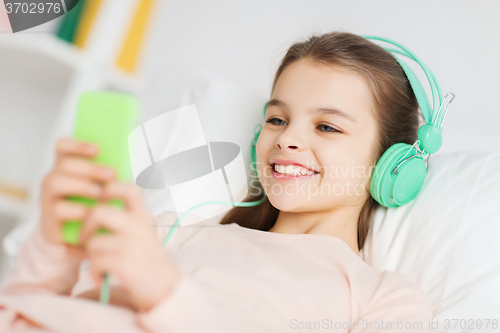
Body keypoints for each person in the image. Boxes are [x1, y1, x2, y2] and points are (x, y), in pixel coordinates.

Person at [0, 31, 433, 332]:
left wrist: (166, 293)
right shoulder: (166, 232)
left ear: (392, 164)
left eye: (327, 127)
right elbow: (32, 316)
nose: (287, 139)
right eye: (277, 119)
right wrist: (54, 247)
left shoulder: (385, 300)